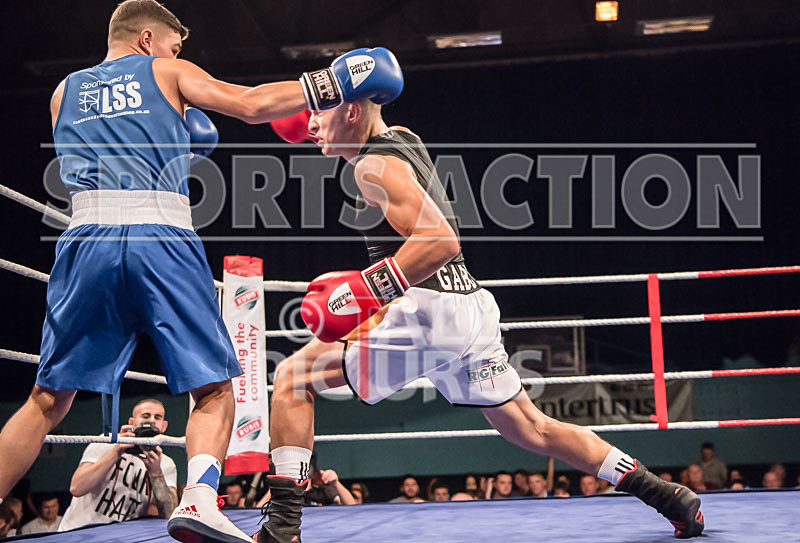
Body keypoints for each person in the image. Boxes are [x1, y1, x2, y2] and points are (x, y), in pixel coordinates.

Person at [0, 0, 403, 541]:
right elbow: (251, 103)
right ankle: (197, 500)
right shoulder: (164, 70)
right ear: (147, 39)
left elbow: (112, 152)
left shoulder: (63, 91)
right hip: (159, 238)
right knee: (215, 387)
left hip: (83, 242)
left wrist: (175, 143)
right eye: (172, 44)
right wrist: (333, 82)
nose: (175, 53)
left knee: (47, 398)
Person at [257, 101, 704, 542]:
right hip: (469, 306)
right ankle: (666, 495)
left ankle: (282, 530)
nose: (309, 123)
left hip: (426, 313)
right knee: (532, 427)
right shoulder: (405, 139)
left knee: (295, 376)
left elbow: (440, 241)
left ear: (352, 111)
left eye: (320, 110)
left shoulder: (370, 168)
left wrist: (363, 292)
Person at [58, 399, 177, 531]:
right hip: (81, 532)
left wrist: (156, 474)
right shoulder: (106, 442)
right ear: (132, 422)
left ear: (164, 426)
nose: (152, 420)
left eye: (157, 417)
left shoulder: (165, 463)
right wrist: (116, 452)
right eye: (146, 416)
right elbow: (77, 488)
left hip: (120, 536)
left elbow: (169, 514)